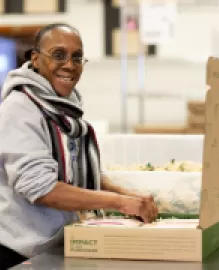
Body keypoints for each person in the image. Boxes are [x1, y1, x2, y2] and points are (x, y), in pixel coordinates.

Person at [0, 23, 158, 269]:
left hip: (55, 246)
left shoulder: (63, 107)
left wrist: (125, 193)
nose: (70, 65)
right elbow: (43, 189)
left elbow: (74, 171)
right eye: (59, 55)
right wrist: (117, 202)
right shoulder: (20, 109)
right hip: (18, 254)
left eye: (77, 57)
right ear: (36, 59)